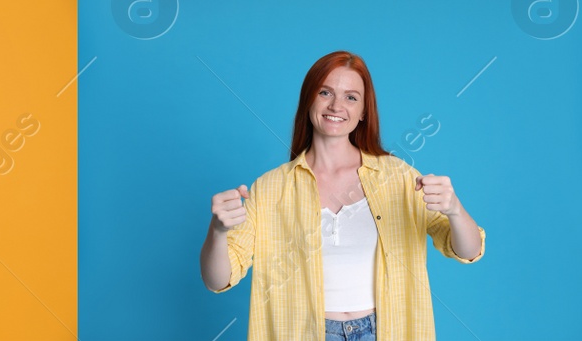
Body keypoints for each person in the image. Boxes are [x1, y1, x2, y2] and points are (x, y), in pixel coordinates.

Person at [200, 51, 485, 341]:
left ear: (363, 111)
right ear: (308, 99)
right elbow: (217, 279)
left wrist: (455, 210)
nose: (337, 105)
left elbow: (468, 250)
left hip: (385, 331)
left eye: (351, 97)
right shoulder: (270, 187)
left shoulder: (399, 177)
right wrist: (218, 230)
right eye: (325, 92)